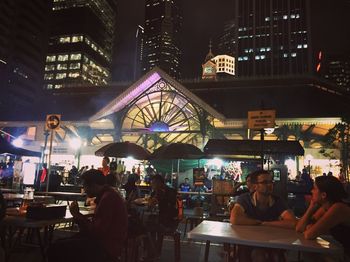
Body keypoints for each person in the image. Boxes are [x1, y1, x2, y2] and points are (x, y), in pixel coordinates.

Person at [48, 169, 128, 262]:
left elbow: (96, 232)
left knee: (57, 248)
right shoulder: (108, 195)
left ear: (93, 185)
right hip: (108, 244)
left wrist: (77, 215)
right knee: (60, 244)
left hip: (106, 248)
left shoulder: (107, 198)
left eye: (84, 185)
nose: (84, 189)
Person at [230, 170, 296, 262]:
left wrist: (265, 223)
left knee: (264, 254)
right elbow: (234, 219)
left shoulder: (277, 201)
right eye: (265, 182)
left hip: (272, 242)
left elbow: (292, 223)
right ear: (255, 186)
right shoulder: (245, 199)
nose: (269, 185)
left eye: (271, 182)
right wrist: (260, 222)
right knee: (254, 253)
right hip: (248, 241)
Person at [296, 175, 350, 260]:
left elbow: (309, 234)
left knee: (312, 254)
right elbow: (300, 228)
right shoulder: (325, 208)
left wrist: (310, 228)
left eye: (314, 188)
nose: (311, 191)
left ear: (323, 195)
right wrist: (311, 208)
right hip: (345, 254)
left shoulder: (338, 208)